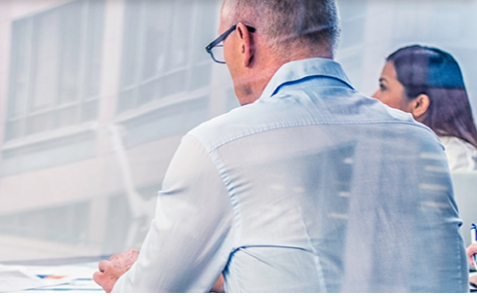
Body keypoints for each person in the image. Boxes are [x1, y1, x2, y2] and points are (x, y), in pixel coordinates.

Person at [92, 0, 467, 292]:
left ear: (244, 40)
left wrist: (129, 276)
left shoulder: (220, 144)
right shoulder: (421, 141)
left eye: (222, 46)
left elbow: (151, 291)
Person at [372, 45, 477, 172]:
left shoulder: (455, 158)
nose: (373, 97)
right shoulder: (402, 150)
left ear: (419, 104)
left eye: (383, 87)